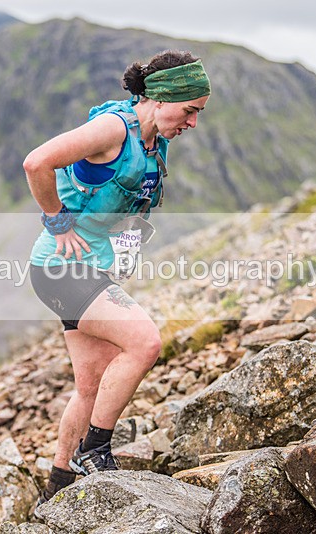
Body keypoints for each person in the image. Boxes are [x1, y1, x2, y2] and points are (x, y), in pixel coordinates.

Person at [23, 49, 211, 505]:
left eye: (198, 114)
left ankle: (58, 488)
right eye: (189, 111)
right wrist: (57, 221)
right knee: (145, 343)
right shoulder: (113, 130)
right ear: (161, 98)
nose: (193, 123)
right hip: (62, 269)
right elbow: (36, 162)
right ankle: (95, 450)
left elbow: (130, 202)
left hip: (92, 270)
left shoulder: (154, 140)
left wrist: (124, 248)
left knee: (91, 386)